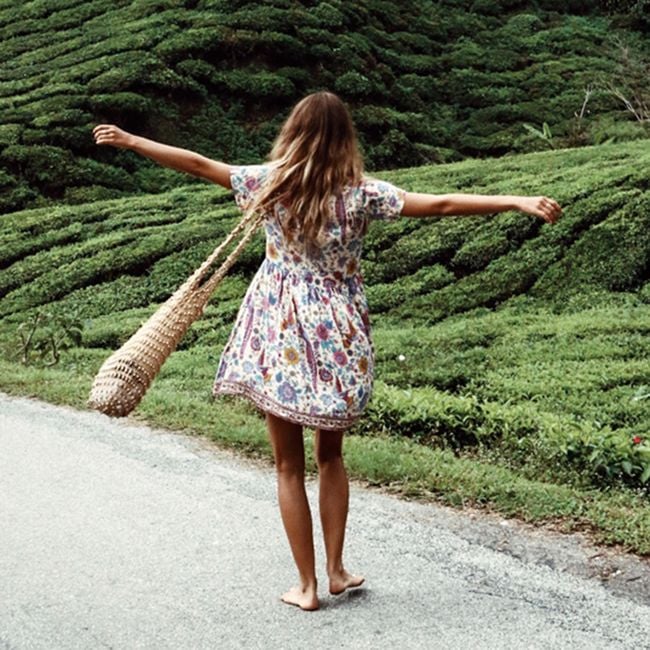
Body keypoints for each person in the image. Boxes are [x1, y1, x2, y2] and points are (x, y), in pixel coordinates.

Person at [92, 91, 562, 611]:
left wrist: (132, 140)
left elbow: (199, 164)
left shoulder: (269, 182)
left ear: (293, 132)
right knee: (331, 457)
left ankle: (307, 586)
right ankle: (336, 569)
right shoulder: (362, 195)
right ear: (345, 138)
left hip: (278, 330)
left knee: (287, 467)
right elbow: (441, 205)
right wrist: (515, 200)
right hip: (338, 332)